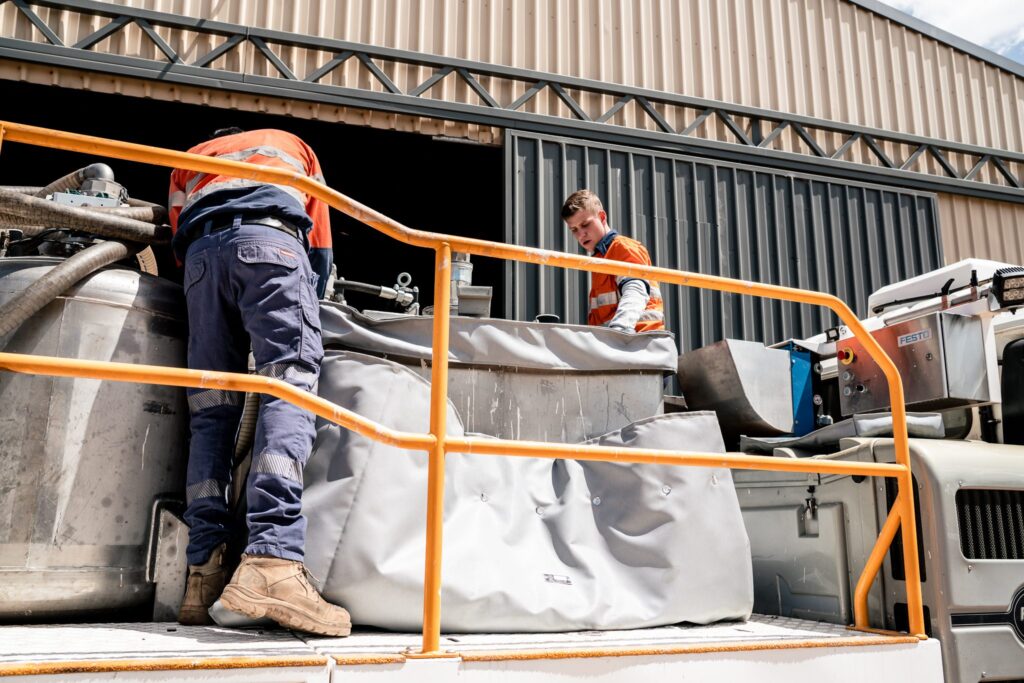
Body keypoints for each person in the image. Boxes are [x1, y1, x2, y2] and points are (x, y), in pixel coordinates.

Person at [168, 128, 350, 636]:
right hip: (273, 247)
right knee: (288, 385)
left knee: (210, 411)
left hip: (200, 266)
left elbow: (176, 231)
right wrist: (310, 294)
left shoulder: (191, 153)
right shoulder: (291, 143)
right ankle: (273, 561)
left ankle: (203, 575)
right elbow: (319, 237)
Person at [561, 189, 665, 332]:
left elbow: (635, 291)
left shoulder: (623, 247)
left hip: (638, 339)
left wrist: (619, 328)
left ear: (602, 217)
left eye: (585, 225)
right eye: (574, 229)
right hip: (617, 340)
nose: (580, 235)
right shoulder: (600, 260)